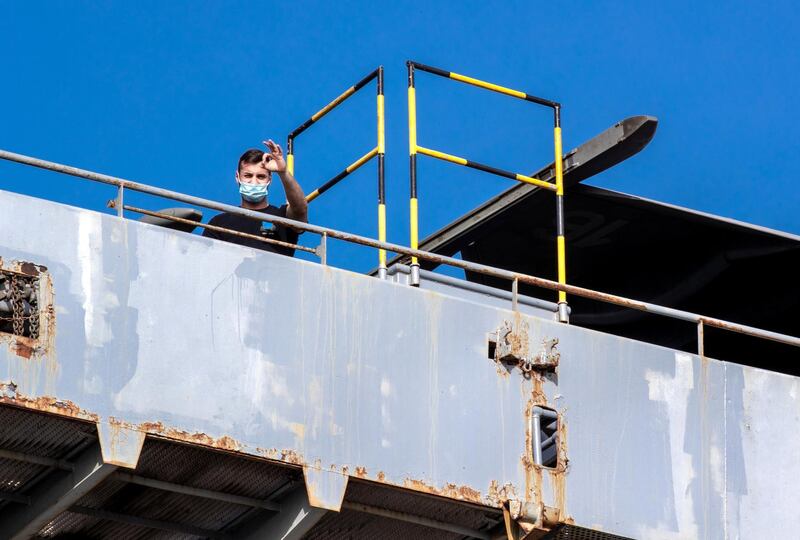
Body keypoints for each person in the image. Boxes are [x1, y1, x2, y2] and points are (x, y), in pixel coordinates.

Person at [203, 140, 308, 256]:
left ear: (270, 179)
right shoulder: (219, 223)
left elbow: (300, 209)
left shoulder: (281, 217)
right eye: (248, 175)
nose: (254, 182)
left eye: (261, 176)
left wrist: (283, 172)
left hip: (274, 273)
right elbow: (203, 261)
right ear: (237, 177)